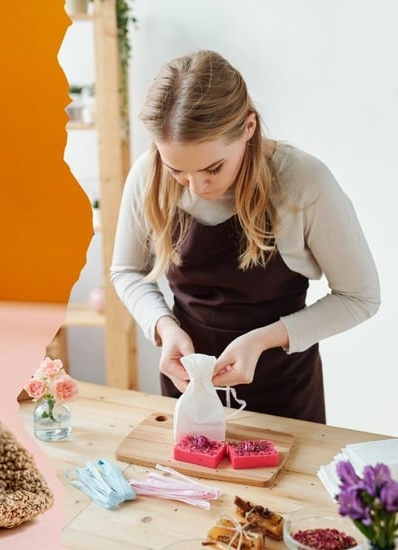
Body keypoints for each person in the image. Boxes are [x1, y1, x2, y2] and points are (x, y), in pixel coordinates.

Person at [110, 50, 380, 423]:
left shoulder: (304, 182)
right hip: (186, 387)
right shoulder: (148, 175)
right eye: (178, 172)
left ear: (249, 127)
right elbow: (126, 271)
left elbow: (360, 297)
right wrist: (163, 325)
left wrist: (262, 340)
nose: (197, 186)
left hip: (283, 395)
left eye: (213, 168)